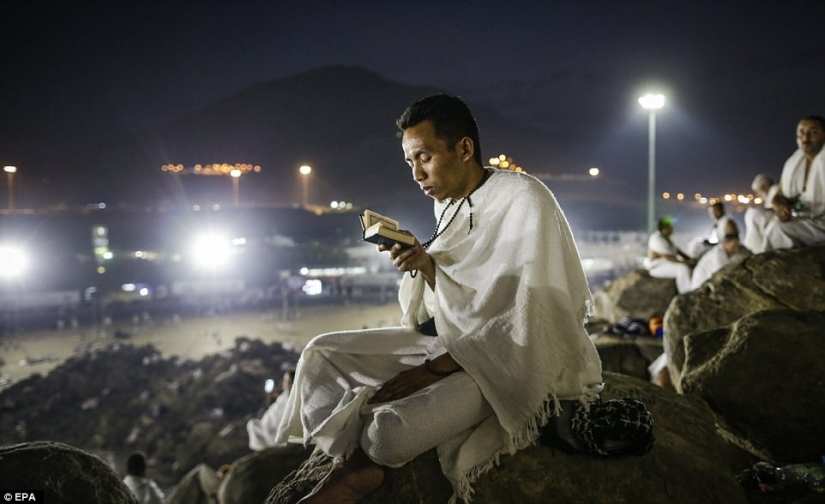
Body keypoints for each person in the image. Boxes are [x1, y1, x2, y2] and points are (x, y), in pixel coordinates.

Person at [275, 94, 603, 503]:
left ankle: (361, 463)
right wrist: (425, 264)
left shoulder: (524, 199)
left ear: (464, 149)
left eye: (424, 157)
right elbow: (451, 306)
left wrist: (433, 371)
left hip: (508, 363)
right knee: (318, 355)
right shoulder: (445, 209)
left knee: (386, 436)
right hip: (451, 341)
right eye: (410, 161)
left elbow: (527, 318)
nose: (416, 173)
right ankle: (351, 451)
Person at [763, 115, 825, 250]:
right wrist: (779, 206)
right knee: (759, 218)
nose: (806, 138)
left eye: (813, 132)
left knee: (778, 230)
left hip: (821, 224)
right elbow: (778, 195)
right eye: (801, 133)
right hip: (804, 219)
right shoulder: (794, 163)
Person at [689, 220, 748, 290]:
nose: (736, 247)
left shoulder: (737, 250)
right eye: (731, 238)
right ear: (725, 242)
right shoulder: (717, 255)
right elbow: (725, 277)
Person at [246, 369, 295, 451]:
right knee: (253, 424)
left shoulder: (291, 399)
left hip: (273, 432)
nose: (284, 383)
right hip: (269, 427)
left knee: (252, 424)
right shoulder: (287, 394)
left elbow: (280, 417)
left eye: (286, 381)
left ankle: (263, 449)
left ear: (292, 383)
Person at [645, 217, 696, 294]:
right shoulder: (656, 239)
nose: (672, 229)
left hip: (667, 264)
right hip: (657, 268)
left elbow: (678, 252)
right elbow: (669, 258)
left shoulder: (666, 239)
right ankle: (686, 293)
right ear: (664, 229)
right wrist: (688, 262)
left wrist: (691, 260)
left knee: (688, 268)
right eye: (670, 227)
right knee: (682, 268)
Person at [743, 174, 778, 253]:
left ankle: (756, 249)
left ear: (763, 188)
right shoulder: (770, 194)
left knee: (753, 214)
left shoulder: (774, 190)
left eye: (757, 191)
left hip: (776, 218)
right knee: (751, 213)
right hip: (773, 216)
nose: (758, 194)